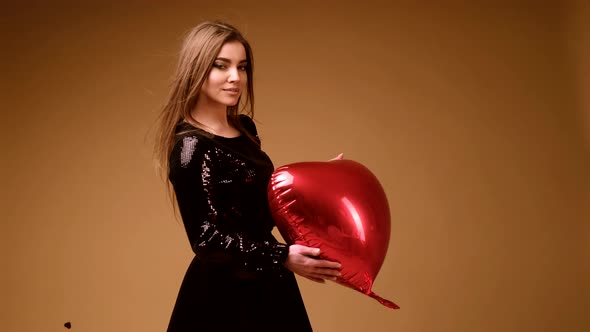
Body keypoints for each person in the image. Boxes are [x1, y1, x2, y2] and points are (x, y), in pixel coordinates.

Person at [153, 21, 342, 331]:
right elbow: (206, 239)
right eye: (220, 66)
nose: (235, 78)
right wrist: (281, 255)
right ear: (196, 69)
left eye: (242, 67)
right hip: (222, 295)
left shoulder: (245, 129)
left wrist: (321, 184)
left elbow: (260, 203)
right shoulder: (191, 146)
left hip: (269, 281)